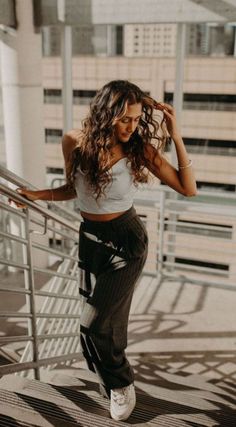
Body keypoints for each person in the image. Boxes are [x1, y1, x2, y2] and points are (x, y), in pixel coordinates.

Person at [13, 80, 197, 421]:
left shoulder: (139, 149)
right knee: (111, 316)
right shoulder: (73, 142)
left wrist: (177, 136)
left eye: (136, 118)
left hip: (127, 241)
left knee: (92, 325)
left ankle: (122, 383)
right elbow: (74, 189)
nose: (131, 126)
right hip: (91, 238)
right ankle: (109, 381)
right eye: (124, 118)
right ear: (105, 113)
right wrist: (38, 196)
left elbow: (188, 189)